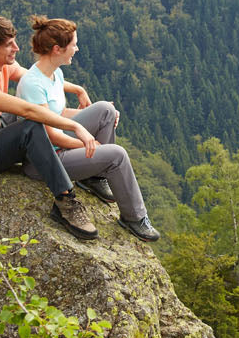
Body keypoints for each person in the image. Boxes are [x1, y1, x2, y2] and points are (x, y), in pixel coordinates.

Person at [0, 15, 104, 240]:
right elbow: (28, 112)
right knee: (31, 125)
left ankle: (54, 158)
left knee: (33, 110)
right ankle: (65, 200)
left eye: (14, 41)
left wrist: (76, 89)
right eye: (8, 45)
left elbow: (33, 79)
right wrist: (75, 127)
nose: (17, 48)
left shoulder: (0, 65)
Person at [15, 16, 159, 242]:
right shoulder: (33, 84)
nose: (77, 49)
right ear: (57, 49)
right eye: (73, 45)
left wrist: (100, 119)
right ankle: (134, 217)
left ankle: (93, 176)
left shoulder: (53, 73)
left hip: (58, 146)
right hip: (45, 160)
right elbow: (50, 134)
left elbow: (58, 115)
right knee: (116, 155)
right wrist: (91, 144)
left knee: (105, 110)